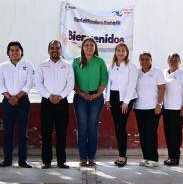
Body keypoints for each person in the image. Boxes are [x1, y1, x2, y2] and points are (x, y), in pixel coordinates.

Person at [35, 40, 73, 169]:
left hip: (62, 103)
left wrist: (60, 96)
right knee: (46, 134)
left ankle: (61, 161)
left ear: (61, 50)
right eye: (52, 48)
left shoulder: (67, 66)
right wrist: (49, 96)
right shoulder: (41, 65)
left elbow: (70, 84)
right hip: (47, 103)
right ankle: (46, 161)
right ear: (48, 50)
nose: (55, 50)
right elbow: (38, 84)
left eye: (57, 48)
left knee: (61, 134)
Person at [0, 41, 34, 168]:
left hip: (23, 101)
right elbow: (0, 84)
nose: (14, 52)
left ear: (21, 52)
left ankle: (23, 160)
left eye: (17, 50)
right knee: (8, 132)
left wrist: (17, 97)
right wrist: (9, 97)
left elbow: (29, 83)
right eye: (11, 50)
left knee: (23, 133)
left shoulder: (28, 65)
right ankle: (7, 160)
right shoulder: (2, 67)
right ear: (8, 53)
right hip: (7, 102)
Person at [72, 37, 108, 167]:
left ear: (95, 48)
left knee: (92, 127)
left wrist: (97, 94)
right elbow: (72, 81)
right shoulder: (76, 62)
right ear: (82, 47)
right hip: (80, 98)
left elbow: (104, 79)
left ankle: (91, 157)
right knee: (82, 127)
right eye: (86, 45)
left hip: (96, 99)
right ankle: (82, 157)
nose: (89, 47)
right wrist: (82, 93)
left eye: (91, 45)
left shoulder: (100, 62)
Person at [107, 43, 138, 167]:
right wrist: (107, 99)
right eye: (118, 50)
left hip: (126, 98)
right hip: (114, 98)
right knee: (117, 126)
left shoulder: (132, 66)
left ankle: (122, 156)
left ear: (127, 52)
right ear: (115, 52)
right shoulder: (112, 66)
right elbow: (109, 83)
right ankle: (121, 153)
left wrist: (126, 102)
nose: (120, 53)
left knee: (121, 126)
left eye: (123, 51)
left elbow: (132, 84)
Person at [134, 52, 165, 167]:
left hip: (153, 108)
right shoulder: (137, 72)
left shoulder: (157, 72)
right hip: (139, 108)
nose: (144, 61)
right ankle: (146, 157)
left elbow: (162, 89)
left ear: (151, 60)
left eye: (147, 59)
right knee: (142, 134)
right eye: (142, 59)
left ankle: (154, 159)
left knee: (151, 133)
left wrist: (159, 105)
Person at [162, 53, 183, 166]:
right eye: (171, 59)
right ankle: (171, 156)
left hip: (177, 110)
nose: (173, 61)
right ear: (168, 61)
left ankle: (175, 158)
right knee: (168, 134)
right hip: (166, 109)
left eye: (176, 59)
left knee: (175, 135)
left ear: (179, 62)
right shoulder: (164, 73)